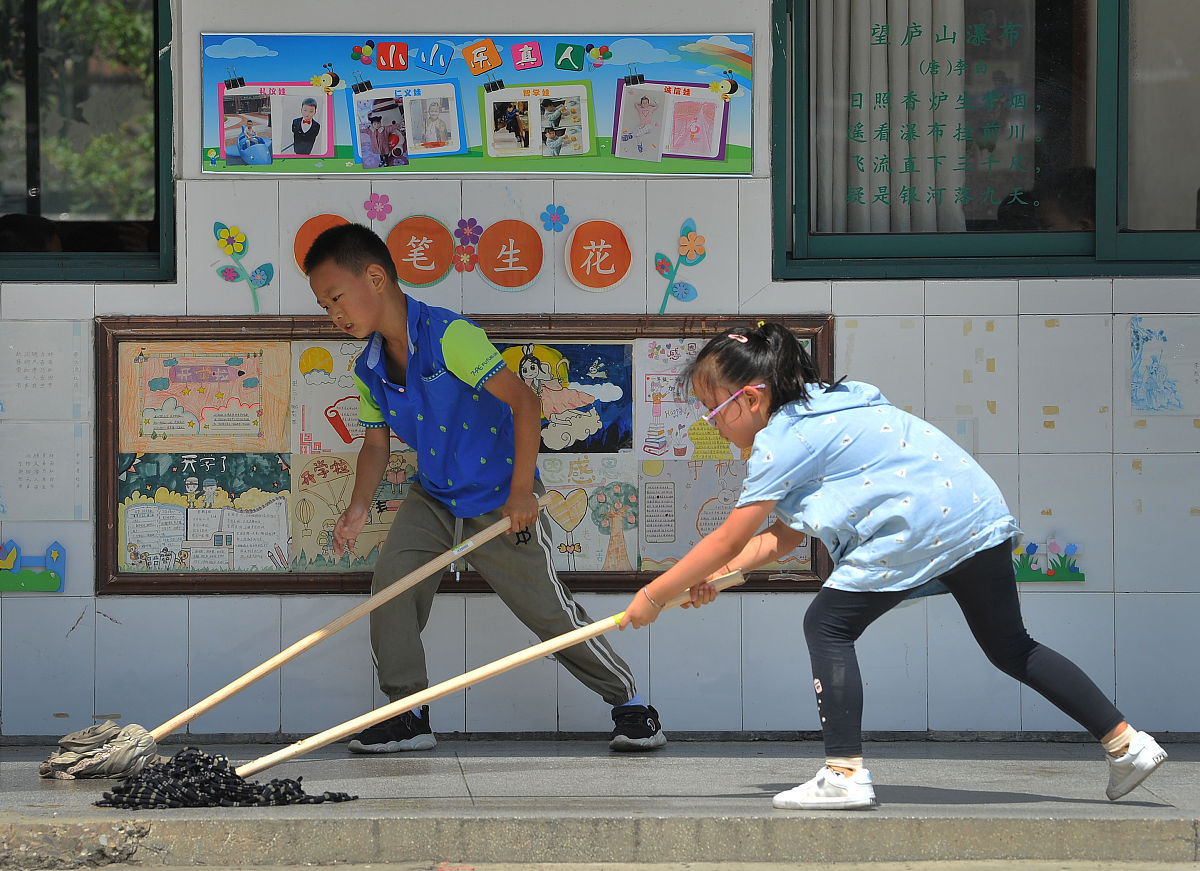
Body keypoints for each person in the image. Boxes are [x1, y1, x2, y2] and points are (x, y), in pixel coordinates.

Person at [619, 322, 1167, 810]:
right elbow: (779, 539)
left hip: (922, 526)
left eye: (712, 410)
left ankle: (844, 773)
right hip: (974, 515)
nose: (711, 425)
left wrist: (653, 596)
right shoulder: (829, 407)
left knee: (827, 624)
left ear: (753, 398)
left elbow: (727, 537)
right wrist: (711, 579)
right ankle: (1126, 743)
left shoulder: (784, 440)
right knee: (1011, 646)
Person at [304, 222, 665, 754]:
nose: (334, 315)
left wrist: (521, 493)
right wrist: (358, 507)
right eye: (324, 306)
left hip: (500, 492)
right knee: (391, 591)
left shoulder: (451, 337)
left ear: (375, 277)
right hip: (434, 495)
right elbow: (377, 446)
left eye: (336, 298)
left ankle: (632, 705)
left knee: (548, 611)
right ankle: (409, 715)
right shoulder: (369, 368)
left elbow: (526, 402)